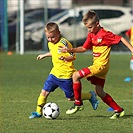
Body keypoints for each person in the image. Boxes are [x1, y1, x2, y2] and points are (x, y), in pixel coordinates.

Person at [59, 10, 133, 119]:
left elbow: (121, 38)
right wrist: (69, 49)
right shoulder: (91, 35)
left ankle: (78, 104)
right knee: (99, 92)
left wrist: (132, 49)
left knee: (75, 75)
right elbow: (84, 48)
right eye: (87, 27)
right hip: (100, 68)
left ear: (97, 24)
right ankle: (118, 110)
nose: (88, 30)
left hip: (100, 66)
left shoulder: (105, 34)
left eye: (90, 27)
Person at [29, 22, 99, 119]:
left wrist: (66, 59)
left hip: (66, 75)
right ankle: (38, 112)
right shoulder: (50, 43)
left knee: (71, 98)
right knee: (44, 92)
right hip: (54, 73)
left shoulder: (64, 43)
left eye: (52, 37)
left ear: (59, 33)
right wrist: (44, 55)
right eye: (48, 37)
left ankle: (90, 96)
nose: (50, 39)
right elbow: (53, 52)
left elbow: (73, 56)